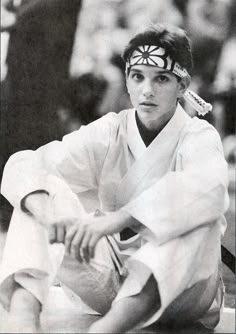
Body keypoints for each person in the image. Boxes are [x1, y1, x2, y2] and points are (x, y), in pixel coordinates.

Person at [0, 24, 229, 333]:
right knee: (39, 191)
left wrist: (118, 219)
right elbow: (26, 164)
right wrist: (49, 216)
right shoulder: (110, 130)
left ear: (182, 85)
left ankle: (106, 329)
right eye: (138, 77)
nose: (147, 90)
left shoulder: (198, 135)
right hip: (111, 280)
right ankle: (23, 316)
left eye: (161, 78)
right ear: (127, 81)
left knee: (200, 219)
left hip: (182, 294)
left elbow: (208, 190)